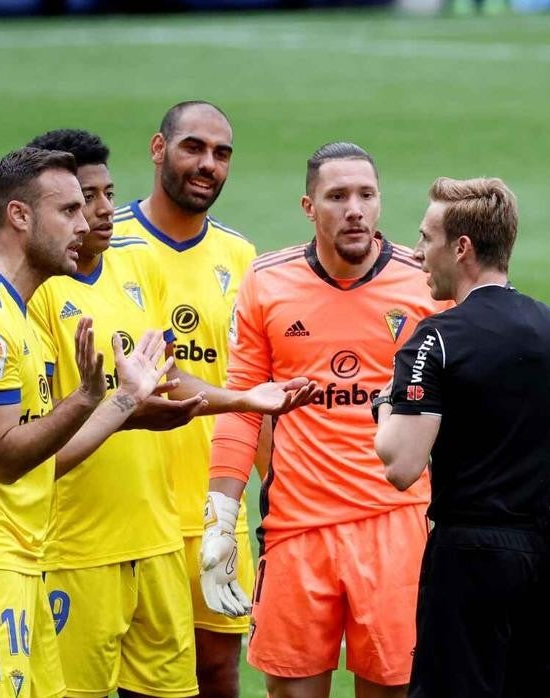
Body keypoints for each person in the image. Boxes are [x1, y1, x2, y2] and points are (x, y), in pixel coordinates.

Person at [25, 128, 315, 698]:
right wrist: (126, 405)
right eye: (87, 199)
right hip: (77, 540)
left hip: (169, 526)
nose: (103, 210)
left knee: (203, 678)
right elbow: (37, 433)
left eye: (108, 194)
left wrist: (243, 401)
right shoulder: (34, 292)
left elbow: (167, 375)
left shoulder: (149, 265)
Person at [0, 146, 176, 697]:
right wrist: (84, 398)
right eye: (69, 211)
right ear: (20, 217)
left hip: (19, 554)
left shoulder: (18, 314)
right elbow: (4, 458)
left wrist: (123, 400)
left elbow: (43, 463)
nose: (86, 224)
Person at [205, 142, 447, 697]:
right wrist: (220, 517)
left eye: (366, 194)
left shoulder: (426, 284)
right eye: (337, 196)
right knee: (290, 691)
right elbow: (240, 407)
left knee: (391, 689)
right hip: (297, 530)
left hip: (397, 524)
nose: (354, 208)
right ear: (309, 207)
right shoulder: (267, 282)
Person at [373, 176, 550, 697]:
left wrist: (385, 408)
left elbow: (400, 466)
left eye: (425, 239)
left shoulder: (436, 338)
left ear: (461, 247)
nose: (417, 253)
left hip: (472, 556)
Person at [111, 101, 257, 698]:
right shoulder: (107, 241)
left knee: (220, 669)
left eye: (221, 154)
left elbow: (251, 391)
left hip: (215, 509)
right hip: (129, 507)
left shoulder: (242, 257)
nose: (208, 165)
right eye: (193, 147)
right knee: (135, 680)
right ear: (157, 148)